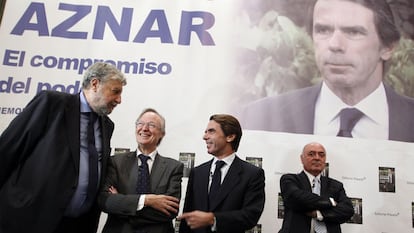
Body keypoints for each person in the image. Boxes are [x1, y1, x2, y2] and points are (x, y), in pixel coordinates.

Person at [241, 0, 414, 142]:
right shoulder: (261, 118)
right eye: (323, 30)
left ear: (387, 47)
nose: (335, 44)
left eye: (353, 32)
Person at [0, 62, 127, 233]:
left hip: (78, 225)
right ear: (95, 84)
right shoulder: (52, 103)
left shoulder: (107, 125)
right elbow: (9, 148)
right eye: (115, 91)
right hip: (30, 219)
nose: (119, 100)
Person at [98, 108, 183, 233]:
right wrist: (147, 200)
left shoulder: (173, 167)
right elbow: (105, 202)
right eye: (140, 123)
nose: (144, 128)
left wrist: (123, 203)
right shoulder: (115, 162)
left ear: (162, 133)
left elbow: (169, 211)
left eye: (151, 125)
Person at [178, 114, 265, 233]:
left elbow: (250, 216)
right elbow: (187, 218)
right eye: (205, 132)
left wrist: (213, 219)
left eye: (211, 131)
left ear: (230, 137)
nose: (205, 137)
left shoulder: (252, 174)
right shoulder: (197, 172)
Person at [278, 142, 354, 233]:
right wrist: (331, 202)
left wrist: (319, 214)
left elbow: (347, 210)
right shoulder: (290, 180)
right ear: (302, 159)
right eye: (311, 154)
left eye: (321, 155)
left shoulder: (336, 185)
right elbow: (296, 198)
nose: (317, 158)